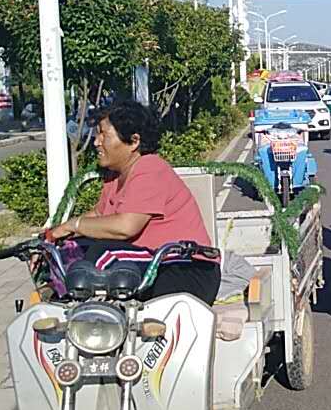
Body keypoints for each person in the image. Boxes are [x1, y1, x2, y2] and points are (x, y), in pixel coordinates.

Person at [46, 101, 221, 304]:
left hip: (188, 269)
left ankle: (78, 306)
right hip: (152, 263)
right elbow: (99, 216)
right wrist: (54, 236)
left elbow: (125, 227)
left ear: (134, 141)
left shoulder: (150, 168)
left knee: (104, 254)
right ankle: (62, 299)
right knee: (73, 249)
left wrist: (72, 225)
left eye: (103, 134)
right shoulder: (115, 176)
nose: (96, 142)